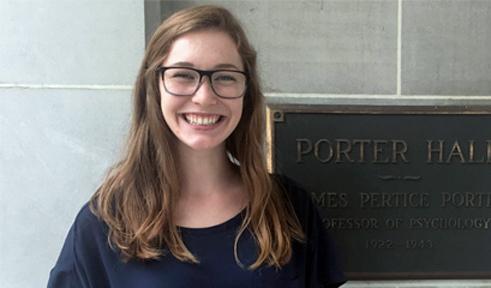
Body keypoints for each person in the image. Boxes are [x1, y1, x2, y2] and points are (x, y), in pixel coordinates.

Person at [47, 5, 346, 288]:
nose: (204, 96)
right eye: (183, 75)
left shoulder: (289, 208)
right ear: (155, 88)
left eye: (225, 76)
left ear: (246, 93)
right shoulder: (105, 222)